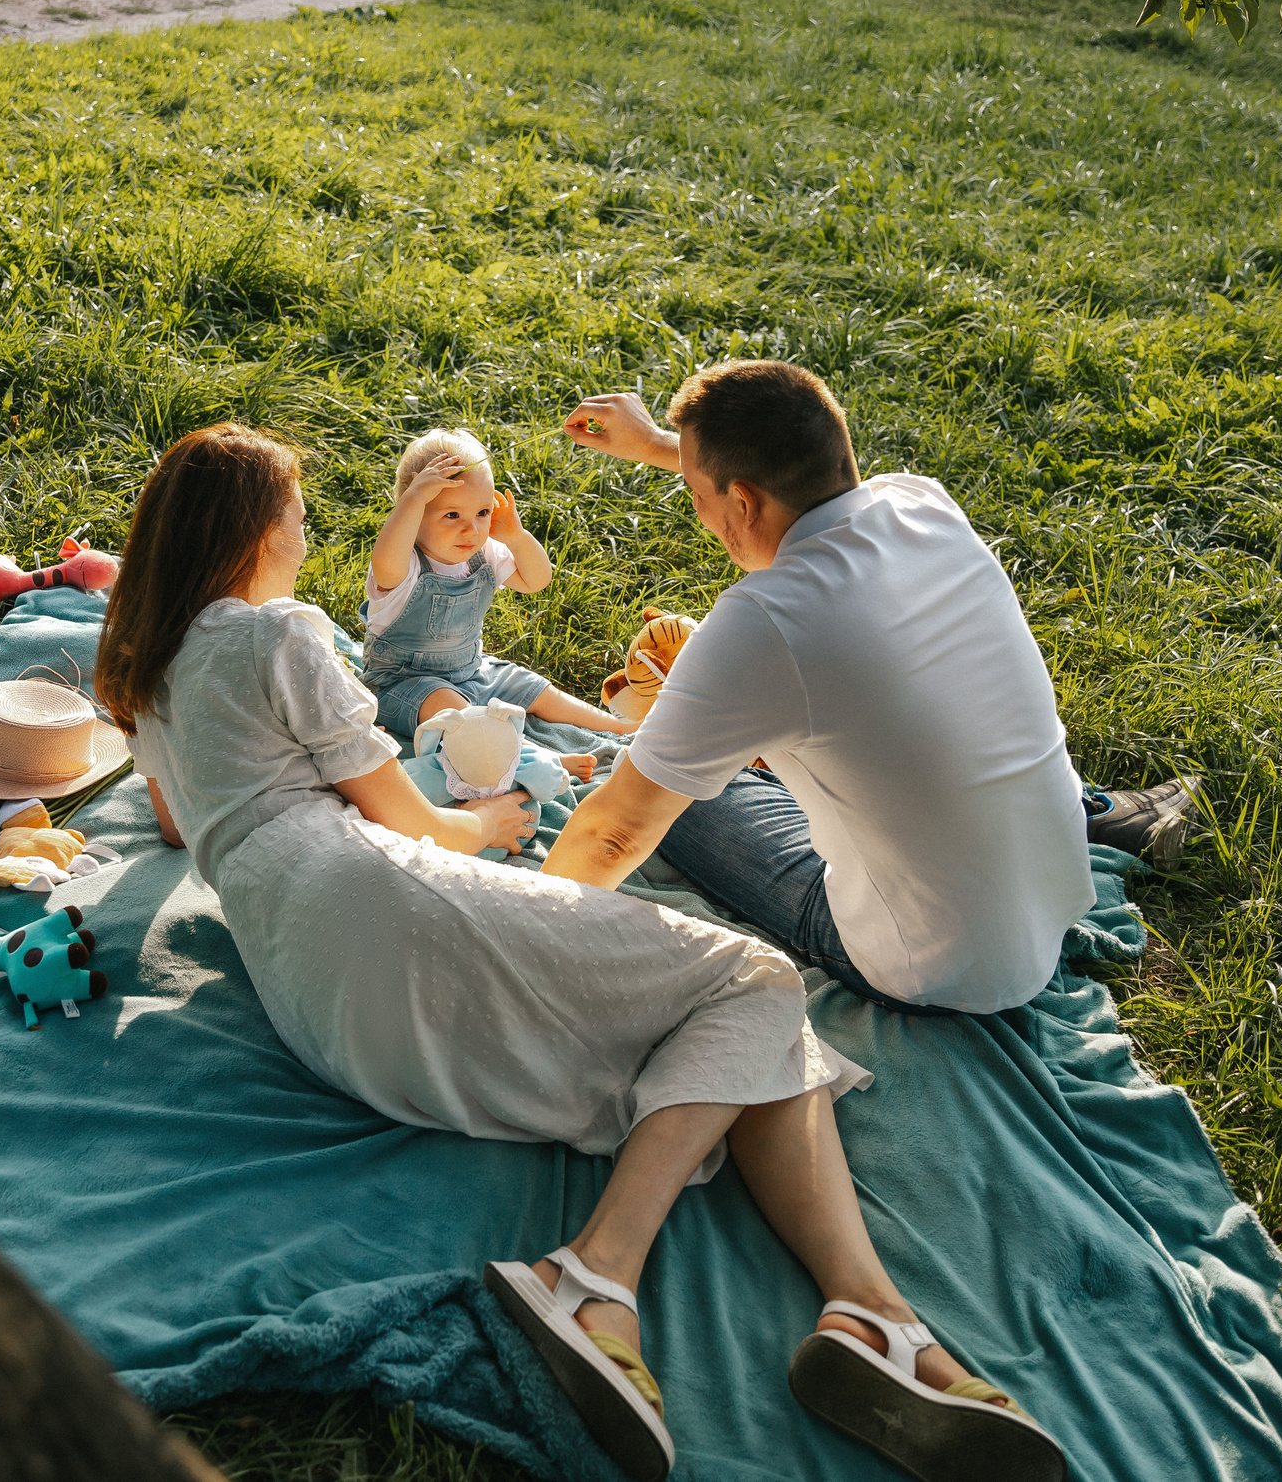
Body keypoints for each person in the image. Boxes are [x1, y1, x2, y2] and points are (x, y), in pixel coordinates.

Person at [96, 423, 1064, 1482]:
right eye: (294, 508)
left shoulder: (145, 665)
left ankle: (877, 1321)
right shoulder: (276, 633)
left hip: (311, 991)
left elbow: (189, 829)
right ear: (250, 528)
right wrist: (502, 819)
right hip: (379, 901)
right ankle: (592, 1277)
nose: (304, 526)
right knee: (756, 978)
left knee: (755, 1034)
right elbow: (417, 824)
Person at [545, 358, 1191, 1022]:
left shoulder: (763, 623)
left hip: (940, 966)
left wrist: (504, 929)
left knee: (664, 787)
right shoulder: (922, 502)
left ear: (742, 501)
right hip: (1049, 900)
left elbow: (613, 836)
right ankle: (1102, 812)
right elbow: (788, 482)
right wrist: (662, 445)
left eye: (696, 494)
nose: (698, 511)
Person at [361, 427, 631, 741]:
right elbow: (385, 562)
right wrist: (414, 498)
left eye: (482, 512)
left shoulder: (484, 553)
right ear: (412, 513)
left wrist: (516, 537)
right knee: (455, 713)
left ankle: (619, 728)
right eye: (452, 514)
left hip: (472, 673)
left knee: (535, 688)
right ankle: (531, 759)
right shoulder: (402, 563)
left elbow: (536, 581)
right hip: (405, 685)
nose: (471, 529)